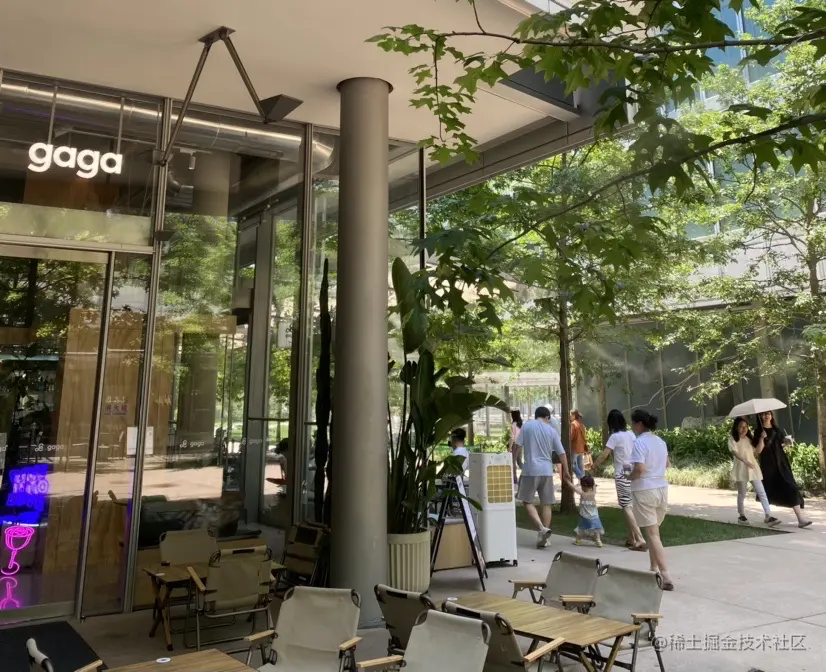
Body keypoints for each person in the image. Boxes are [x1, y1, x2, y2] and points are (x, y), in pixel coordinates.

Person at [628, 408, 674, 591]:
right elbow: (667, 464)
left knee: (653, 534)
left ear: (639, 424)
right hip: (661, 488)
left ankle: (666, 575)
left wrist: (628, 476)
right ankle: (653, 568)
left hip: (645, 489)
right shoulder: (660, 442)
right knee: (655, 532)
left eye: (633, 424)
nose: (632, 427)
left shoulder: (639, 443)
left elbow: (639, 469)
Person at [513, 406, 569, 548]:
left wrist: (514, 461)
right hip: (547, 471)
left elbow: (517, 446)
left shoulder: (527, 426)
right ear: (547, 418)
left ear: (535, 415)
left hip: (530, 470)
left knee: (527, 501)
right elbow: (562, 453)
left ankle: (541, 529)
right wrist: (567, 470)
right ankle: (545, 537)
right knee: (546, 503)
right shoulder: (551, 431)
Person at [592, 409, 647, 551]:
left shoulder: (614, 437)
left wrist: (593, 465)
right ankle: (631, 538)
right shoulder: (631, 434)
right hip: (631, 471)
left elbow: (604, 455)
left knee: (626, 506)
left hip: (622, 473)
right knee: (630, 506)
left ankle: (639, 538)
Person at [752, 411, 811, 528]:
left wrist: (788, 442)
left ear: (771, 415)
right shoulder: (758, 432)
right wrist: (762, 438)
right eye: (763, 414)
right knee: (768, 490)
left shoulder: (776, 429)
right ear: (760, 416)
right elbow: (758, 451)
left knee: (791, 487)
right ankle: (768, 516)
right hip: (768, 465)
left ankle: (801, 519)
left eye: (768, 413)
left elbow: (780, 444)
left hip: (781, 463)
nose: (766, 416)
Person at [729, 416, 779, 527]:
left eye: (746, 426)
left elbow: (757, 452)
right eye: (741, 426)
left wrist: (761, 439)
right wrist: (745, 461)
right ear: (736, 427)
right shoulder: (733, 439)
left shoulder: (749, 440)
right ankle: (741, 515)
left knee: (761, 492)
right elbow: (735, 453)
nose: (744, 429)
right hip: (741, 469)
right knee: (742, 493)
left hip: (752, 468)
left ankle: (768, 515)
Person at [563, 474, 603, 547]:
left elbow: (574, 488)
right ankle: (598, 541)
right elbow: (593, 485)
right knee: (596, 529)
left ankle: (578, 540)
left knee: (581, 528)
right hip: (594, 515)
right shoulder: (593, 493)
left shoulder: (582, 493)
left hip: (584, 515)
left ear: (583, 486)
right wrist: (592, 481)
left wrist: (567, 481)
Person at [569, 410, 589, 478]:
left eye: (570, 414)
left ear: (574, 415)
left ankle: (582, 478)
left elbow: (571, 436)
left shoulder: (573, 424)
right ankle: (582, 481)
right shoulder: (581, 425)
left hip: (575, 448)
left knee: (572, 465)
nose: (569, 416)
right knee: (580, 465)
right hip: (581, 448)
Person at [508, 409, 524, 485]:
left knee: (513, 462)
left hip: (515, 445)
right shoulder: (521, 424)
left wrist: (509, 447)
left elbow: (512, 438)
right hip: (521, 445)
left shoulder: (513, 425)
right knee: (519, 462)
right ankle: (529, 474)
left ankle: (514, 478)